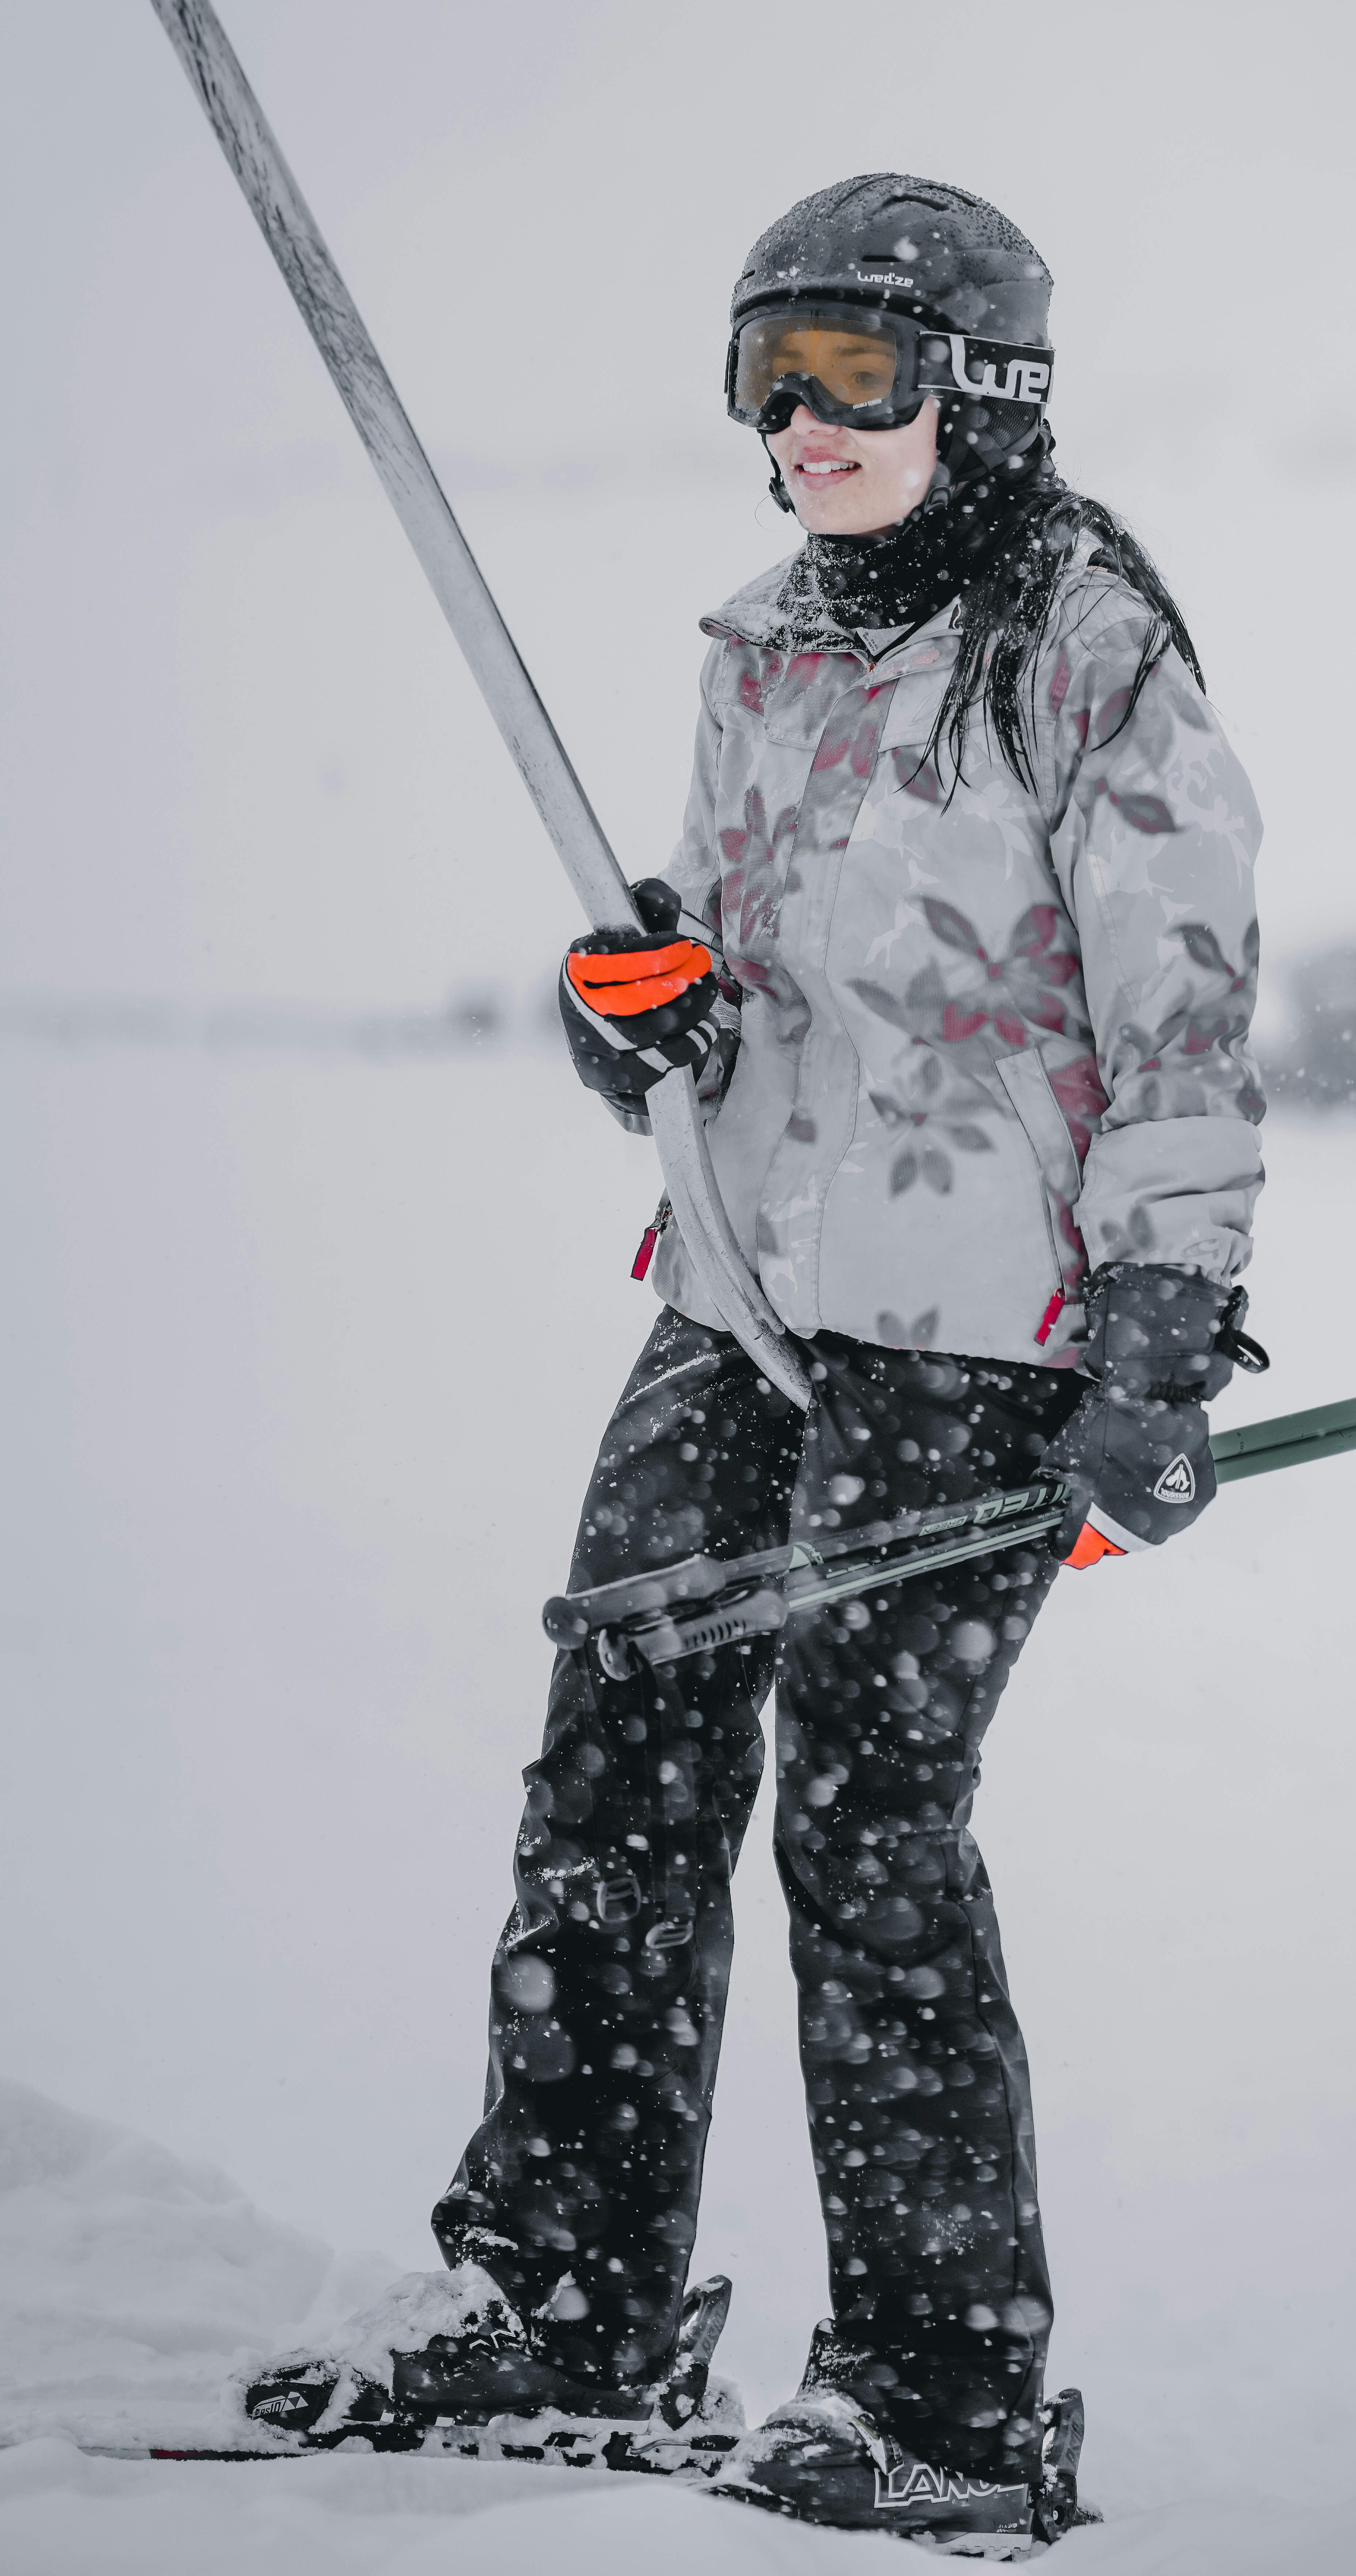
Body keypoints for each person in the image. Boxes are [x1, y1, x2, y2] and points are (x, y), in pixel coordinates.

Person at [240, 175, 1265, 2548]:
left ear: (980, 393)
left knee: (867, 1828)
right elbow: (714, 955)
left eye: (852, 374)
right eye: (765, 372)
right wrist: (644, 1010)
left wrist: (1161, 1325)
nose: (796, 426)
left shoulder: (1084, 649)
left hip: (980, 1337)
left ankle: (945, 2401)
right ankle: (568, 2298)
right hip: (738, 1296)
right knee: (617, 1751)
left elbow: (1185, 1009)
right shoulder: (760, 641)